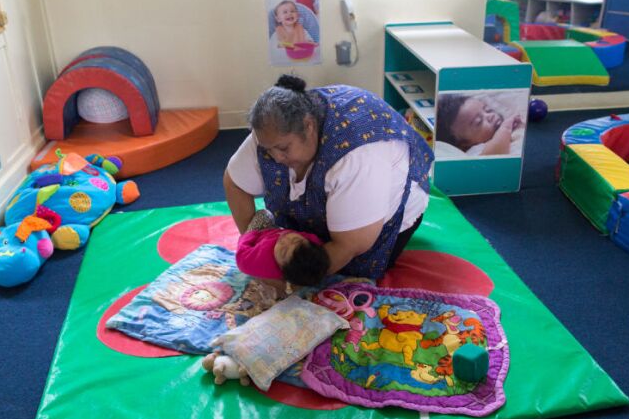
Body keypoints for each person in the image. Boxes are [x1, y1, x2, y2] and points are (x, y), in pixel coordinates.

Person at [223, 75, 433, 282]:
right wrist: (256, 250)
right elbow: (235, 184)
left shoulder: (357, 154)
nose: (276, 157)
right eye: (268, 150)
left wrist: (292, 280)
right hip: (341, 200)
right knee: (293, 252)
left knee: (349, 272)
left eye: (283, 148)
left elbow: (351, 245)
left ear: (309, 126)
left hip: (385, 221)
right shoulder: (272, 131)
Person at [235, 209, 330, 288]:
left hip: (258, 236)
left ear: (281, 268)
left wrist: (250, 235)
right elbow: (314, 241)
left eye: (283, 251)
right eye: (295, 240)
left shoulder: (257, 261)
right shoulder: (310, 245)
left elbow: (241, 254)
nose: (285, 240)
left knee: (264, 214)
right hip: (275, 231)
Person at [435, 94, 525, 156]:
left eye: (488, 110)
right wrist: (506, 128)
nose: (490, 116)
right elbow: (495, 153)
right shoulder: (476, 150)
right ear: (464, 144)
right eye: (479, 122)